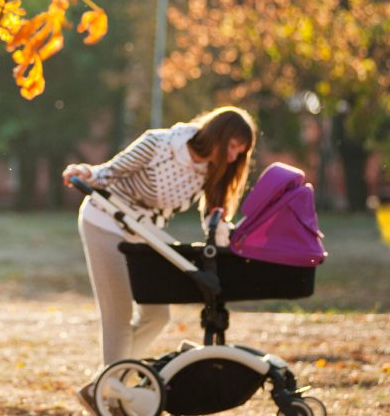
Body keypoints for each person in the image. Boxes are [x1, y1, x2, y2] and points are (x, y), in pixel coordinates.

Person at [61, 106, 257, 413]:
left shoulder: (212, 170)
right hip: (106, 222)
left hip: (145, 233)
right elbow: (108, 172)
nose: (233, 158)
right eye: (233, 147)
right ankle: (109, 401)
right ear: (218, 135)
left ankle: (101, 386)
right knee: (119, 316)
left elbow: (212, 218)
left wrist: (224, 235)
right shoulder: (160, 144)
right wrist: (85, 172)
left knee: (157, 315)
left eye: (240, 152)